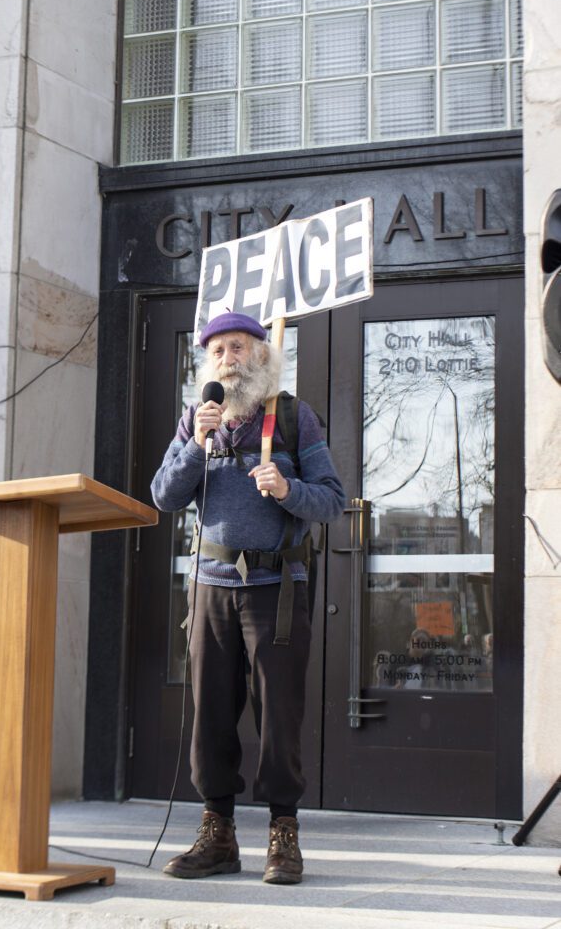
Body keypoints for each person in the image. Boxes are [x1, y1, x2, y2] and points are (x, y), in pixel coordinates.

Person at [151, 311, 345, 885]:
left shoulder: (293, 417)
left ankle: (283, 834)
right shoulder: (196, 421)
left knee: (279, 719)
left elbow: (332, 501)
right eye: (217, 350)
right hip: (210, 589)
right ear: (206, 364)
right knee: (211, 716)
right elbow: (164, 497)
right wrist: (196, 444)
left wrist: (288, 490)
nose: (228, 357)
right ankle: (218, 832)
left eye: (239, 347)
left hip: (275, 592)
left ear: (261, 355)